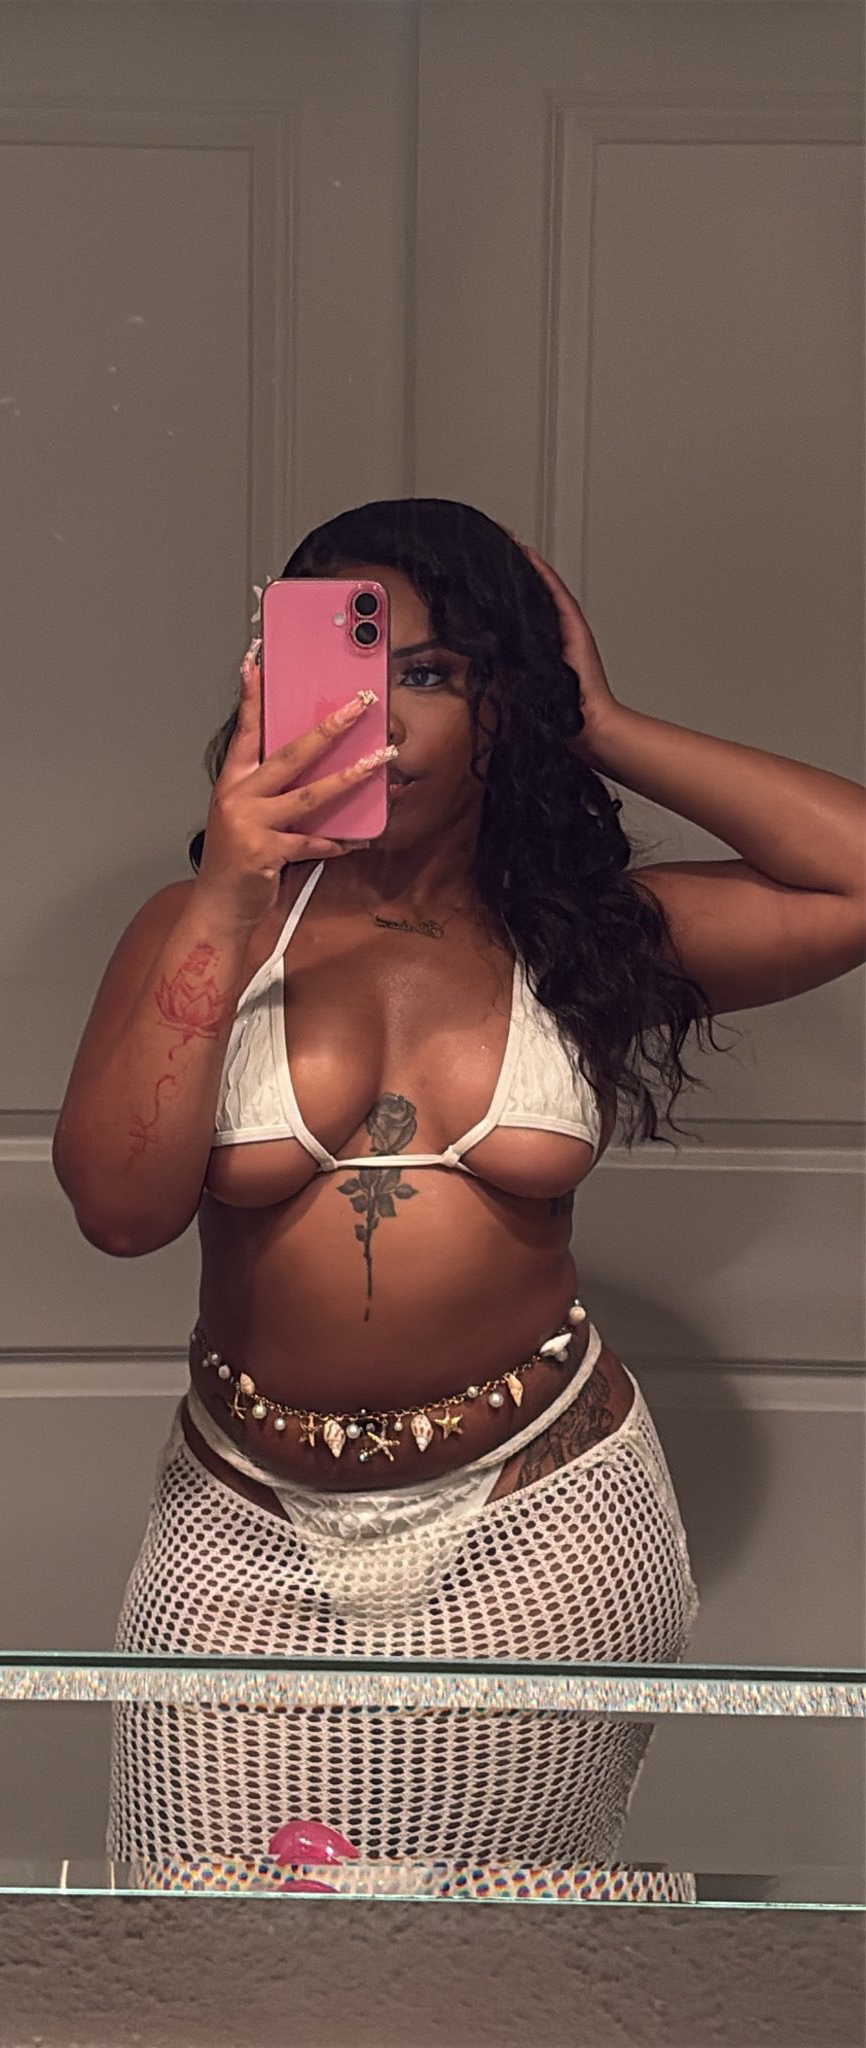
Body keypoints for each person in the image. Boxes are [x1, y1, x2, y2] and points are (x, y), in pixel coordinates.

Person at [53, 498, 866, 1898]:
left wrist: (606, 724)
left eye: (429, 672)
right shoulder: (196, 931)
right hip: (245, 1526)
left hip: (545, 1524)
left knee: (502, 1964)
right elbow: (121, 1210)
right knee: (203, 1952)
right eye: (345, 667)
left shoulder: (585, 933)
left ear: (503, 703)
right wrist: (234, 889)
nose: (382, 714)